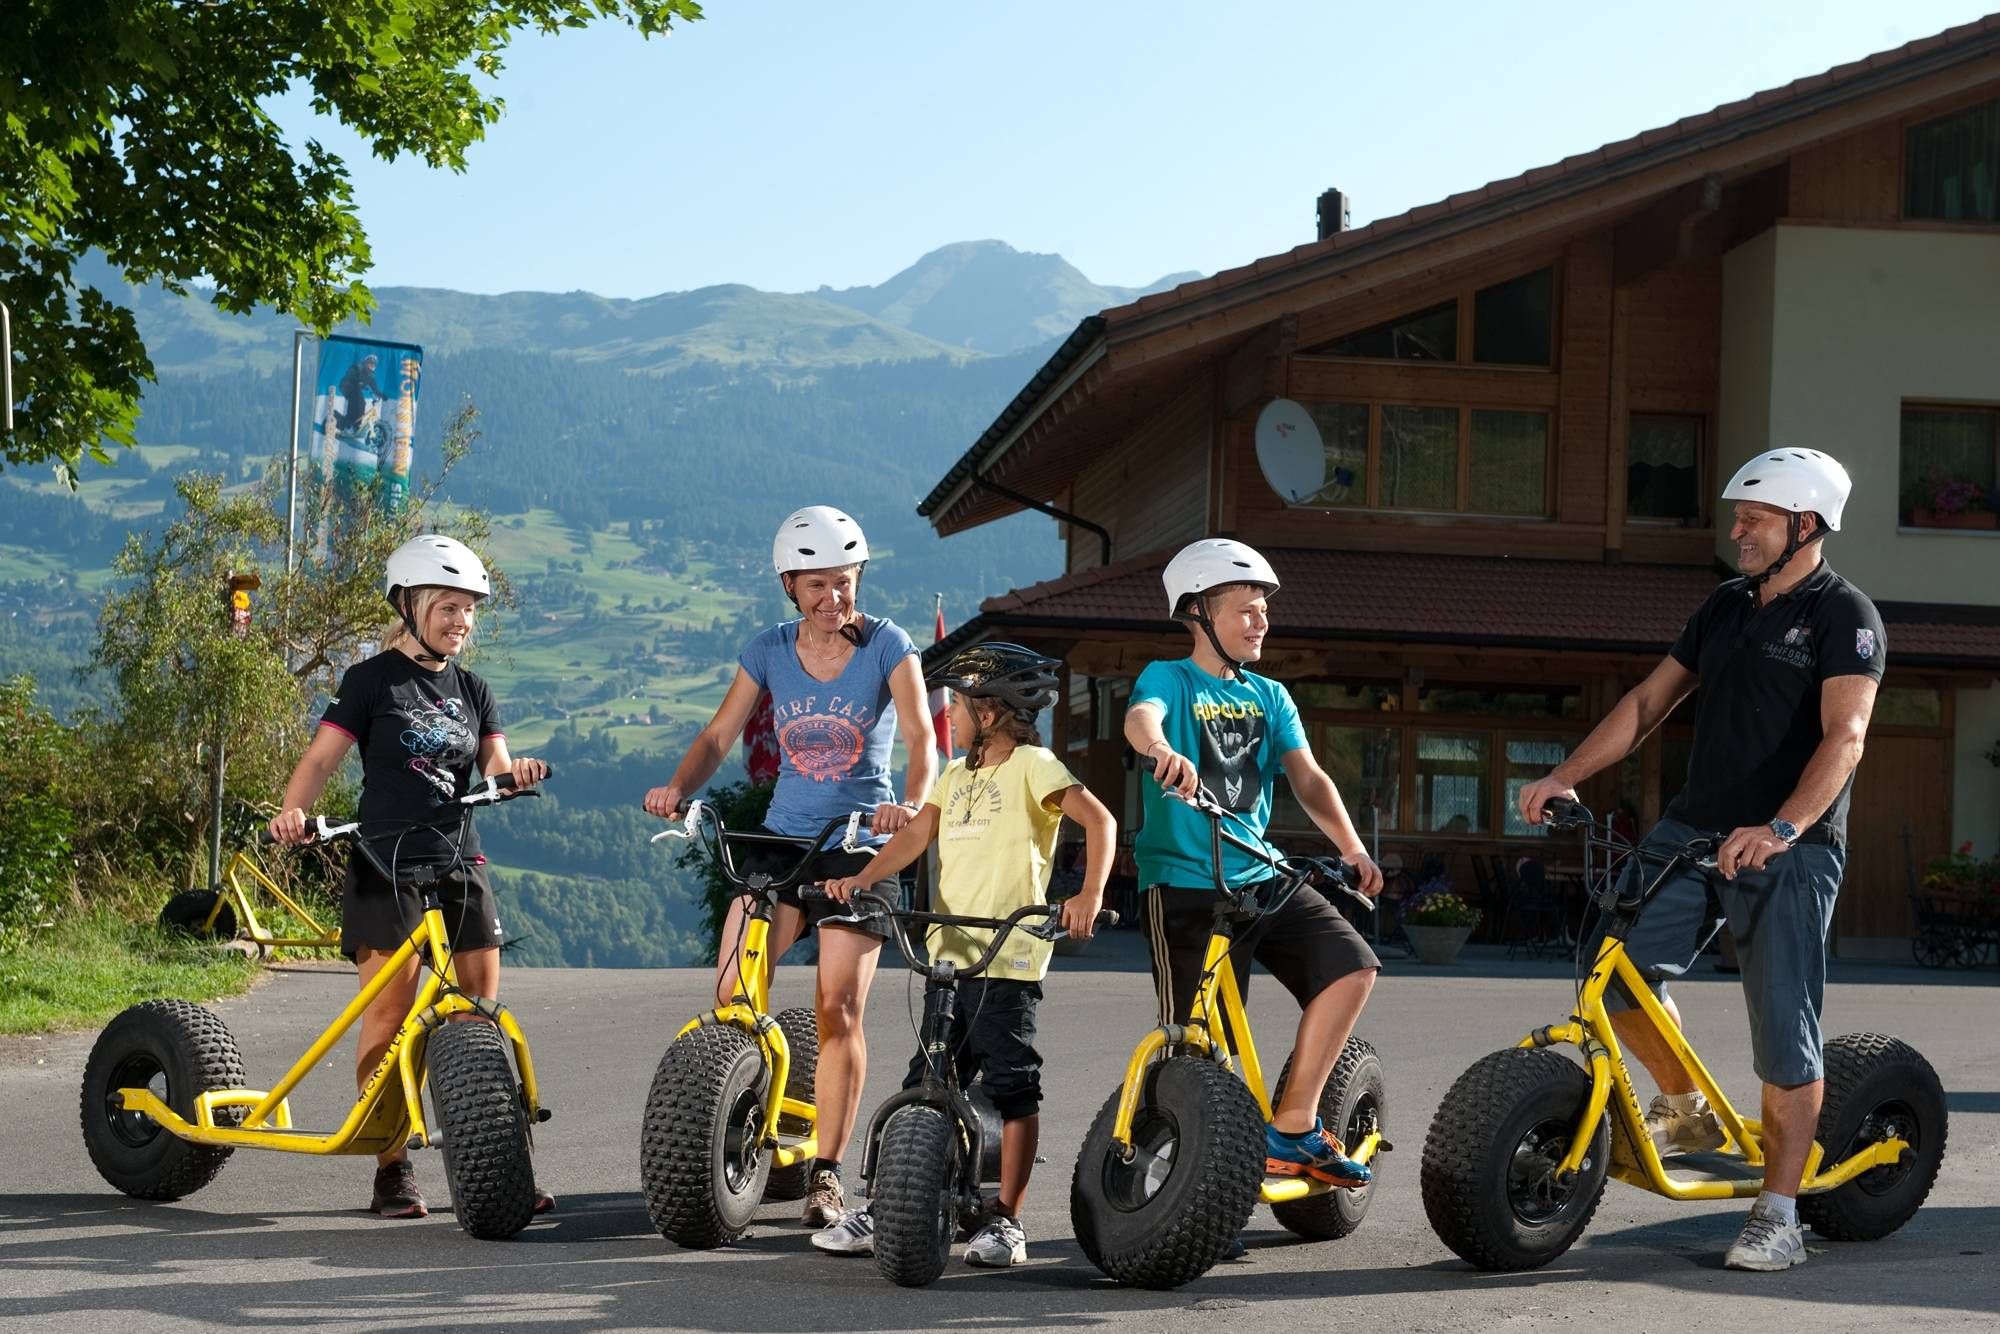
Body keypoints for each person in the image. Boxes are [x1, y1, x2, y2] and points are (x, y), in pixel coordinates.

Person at [1517, 448, 1881, 1272]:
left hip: (1791, 845)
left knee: (1785, 1029)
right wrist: (1566, 774)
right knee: (1611, 974)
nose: (1737, 530)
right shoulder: (1724, 606)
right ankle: (1686, 1105)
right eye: (1737, 516)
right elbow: (1647, 701)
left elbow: (1845, 737)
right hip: (1692, 829)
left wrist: (1783, 828)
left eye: (1753, 519)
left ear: (1806, 525)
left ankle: (1780, 1213)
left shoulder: (1843, 614)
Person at [643, 505, 937, 1227]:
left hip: (860, 841)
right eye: (817, 587)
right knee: (734, 991)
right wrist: (680, 786)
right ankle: (741, 1114)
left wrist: (912, 804)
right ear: (789, 585)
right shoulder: (769, 649)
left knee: (839, 1007)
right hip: (781, 839)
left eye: (844, 584)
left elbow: (925, 738)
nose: (833, 600)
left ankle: (828, 1174)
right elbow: (719, 733)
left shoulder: (889, 645)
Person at [269, 534, 550, 1220]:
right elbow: (320, 760)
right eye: (449, 607)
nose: (462, 622)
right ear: (412, 604)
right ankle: (391, 1166)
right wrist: (294, 810)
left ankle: (501, 1164)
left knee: (478, 1015)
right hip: (384, 861)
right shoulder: (371, 682)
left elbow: (494, 767)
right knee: (391, 1018)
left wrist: (516, 778)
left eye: (470, 610)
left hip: (457, 857)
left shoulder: (473, 689)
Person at [809, 643, 1116, 1267]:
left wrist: (1087, 895)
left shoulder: (1035, 766)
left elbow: (1102, 821)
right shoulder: (955, 775)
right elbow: (917, 835)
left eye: (957, 705)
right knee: (927, 1084)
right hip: (949, 956)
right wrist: (865, 877)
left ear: (992, 710)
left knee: (1011, 1088)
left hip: (1009, 958)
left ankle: (1007, 1220)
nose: (946, 715)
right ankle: (893, 1201)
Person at [1125, 538, 1385, 1197]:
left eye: (1264, 609)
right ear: (1198, 613)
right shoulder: (1170, 678)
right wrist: (1161, 751)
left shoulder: (1270, 695)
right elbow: (1140, 718)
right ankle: (1191, 1189)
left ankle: (1293, 1124)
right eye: (1246, 609)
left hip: (1259, 873)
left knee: (1351, 967)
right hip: (1184, 880)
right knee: (1198, 1050)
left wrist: (1353, 847)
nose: (1261, 621)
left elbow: (1310, 779)